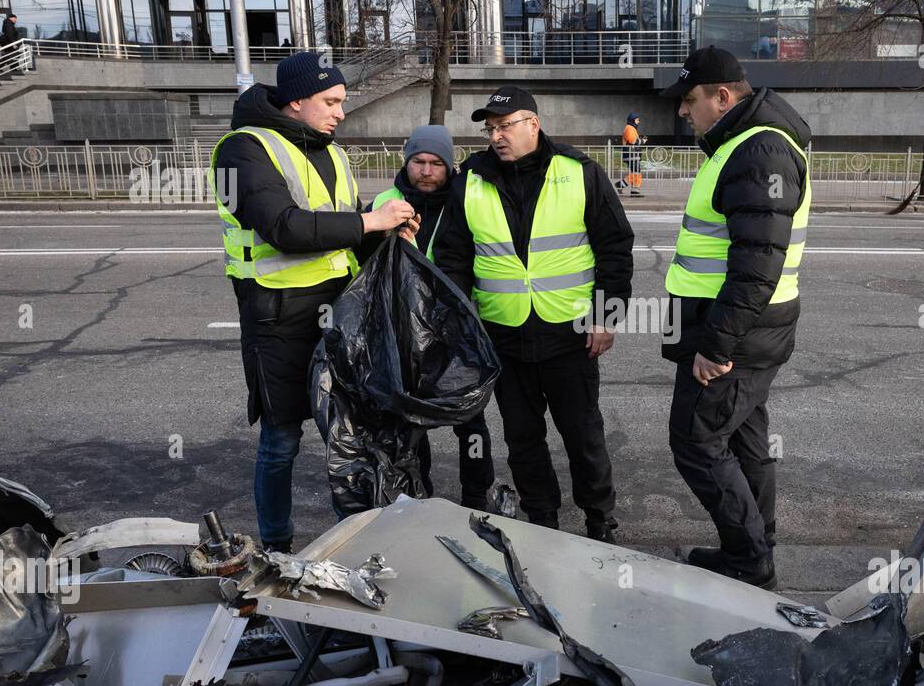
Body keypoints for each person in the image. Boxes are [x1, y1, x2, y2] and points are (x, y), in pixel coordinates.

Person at [209, 51, 420, 553]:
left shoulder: (332, 152)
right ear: (296, 100)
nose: (340, 113)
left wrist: (389, 232)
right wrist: (370, 222)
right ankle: (278, 551)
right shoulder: (239, 151)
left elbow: (343, 234)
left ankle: (352, 549)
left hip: (339, 316)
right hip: (277, 317)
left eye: (342, 102)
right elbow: (283, 228)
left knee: (347, 439)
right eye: (331, 101)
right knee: (281, 441)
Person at [432, 85, 634, 543]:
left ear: (533, 125)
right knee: (523, 440)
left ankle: (600, 519)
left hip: (571, 332)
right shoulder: (471, 179)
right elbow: (453, 257)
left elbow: (615, 248)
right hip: (503, 333)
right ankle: (543, 519)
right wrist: (465, 324)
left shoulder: (579, 172)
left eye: (505, 126)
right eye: (490, 129)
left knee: (583, 435)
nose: (497, 136)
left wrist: (607, 315)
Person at [659, 46, 812, 589]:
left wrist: (716, 345)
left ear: (722, 97)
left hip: (734, 336)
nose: (683, 111)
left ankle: (748, 559)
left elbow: (756, 265)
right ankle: (757, 544)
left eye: (690, 99)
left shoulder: (759, 150)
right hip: (748, 332)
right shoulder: (745, 144)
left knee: (697, 443)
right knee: (745, 441)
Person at [370, 125, 496, 510]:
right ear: (406, 162)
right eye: (418, 162)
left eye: (436, 163)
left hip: (457, 326)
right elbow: (365, 261)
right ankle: (416, 493)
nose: (426, 171)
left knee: (470, 421)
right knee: (410, 422)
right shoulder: (386, 200)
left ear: (449, 166)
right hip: (405, 329)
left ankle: (476, 495)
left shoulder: (462, 200)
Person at [620, 112, 646, 197]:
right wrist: (643, 141)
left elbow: (633, 140)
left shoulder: (631, 128)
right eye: (637, 120)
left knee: (636, 172)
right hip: (631, 155)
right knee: (636, 172)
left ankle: (635, 191)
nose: (638, 122)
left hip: (633, 155)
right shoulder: (629, 128)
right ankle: (620, 185)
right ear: (633, 120)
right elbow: (632, 141)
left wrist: (640, 140)